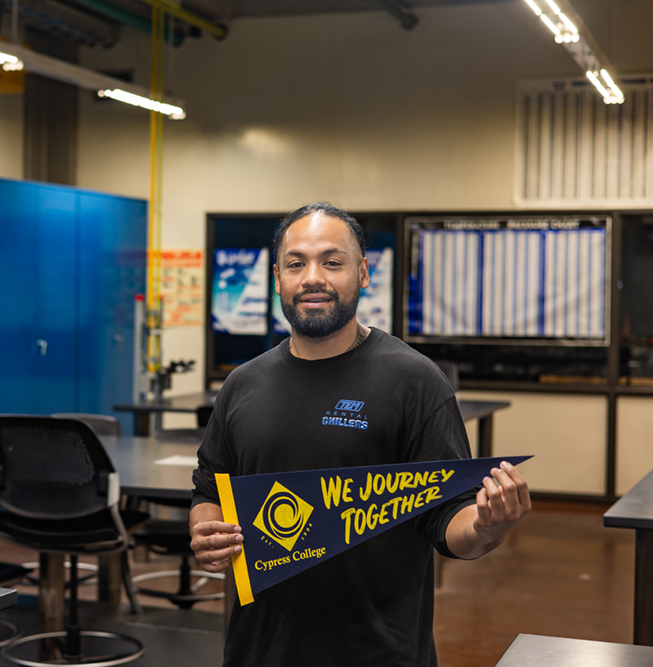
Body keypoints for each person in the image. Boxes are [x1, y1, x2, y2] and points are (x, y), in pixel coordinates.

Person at [190, 202, 531, 666]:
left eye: (332, 261)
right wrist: (205, 531)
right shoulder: (242, 385)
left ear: (363, 272)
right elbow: (210, 486)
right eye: (296, 263)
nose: (313, 277)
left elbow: (449, 522)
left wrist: (489, 526)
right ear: (277, 278)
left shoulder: (415, 382)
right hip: (260, 649)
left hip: (377, 651)